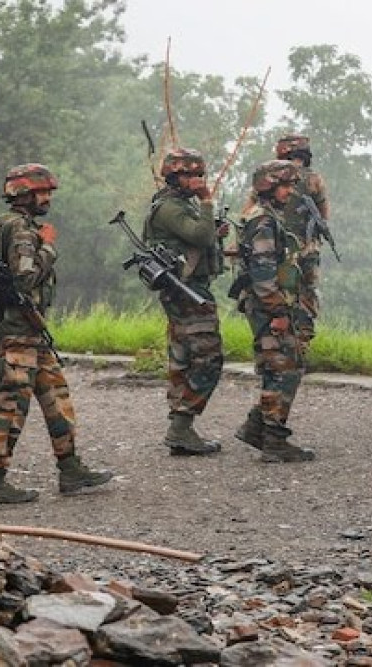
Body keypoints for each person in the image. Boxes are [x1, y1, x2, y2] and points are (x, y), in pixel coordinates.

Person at [0, 163, 113, 504]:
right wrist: (49, 247)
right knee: (11, 406)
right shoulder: (22, 231)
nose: (48, 197)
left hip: (31, 331)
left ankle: (71, 469)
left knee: (57, 398)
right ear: (24, 194)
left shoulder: (6, 227)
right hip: (20, 331)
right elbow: (24, 279)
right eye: (42, 192)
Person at [143, 148, 228, 456]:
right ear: (174, 177)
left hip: (188, 288)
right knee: (209, 357)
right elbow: (201, 237)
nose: (197, 181)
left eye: (199, 175)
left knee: (183, 358)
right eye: (190, 175)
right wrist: (207, 202)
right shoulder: (170, 208)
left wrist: (214, 229)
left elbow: (201, 237)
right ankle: (181, 425)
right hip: (188, 292)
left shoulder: (178, 205)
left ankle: (181, 430)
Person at [231, 160, 316, 463]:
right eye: (285, 185)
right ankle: (272, 438)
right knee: (282, 368)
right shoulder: (263, 222)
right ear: (268, 185)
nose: (290, 191)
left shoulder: (266, 217)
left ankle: (259, 427)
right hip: (269, 307)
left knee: (281, 366)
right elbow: (264, 275)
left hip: (270, 305)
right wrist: (278, 311)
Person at [275, 134, 331, 351]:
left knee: (279, 291)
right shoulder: (314, 179)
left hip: (278, 246)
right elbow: (324, 214)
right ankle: (302, 344)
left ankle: (280, 343)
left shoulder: (273, 177)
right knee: (307, 292)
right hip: (308, 247)